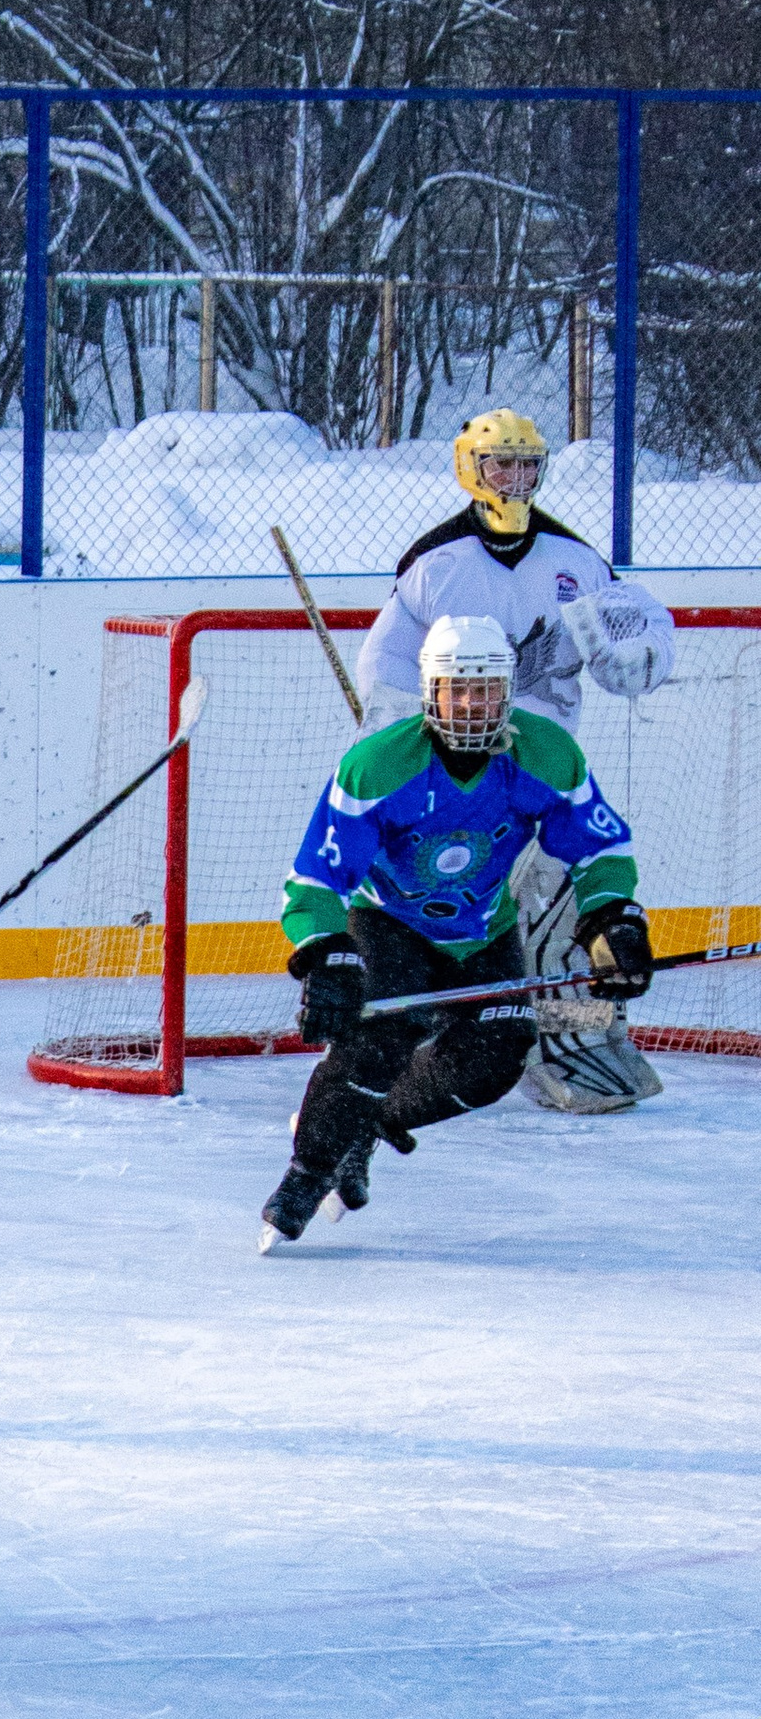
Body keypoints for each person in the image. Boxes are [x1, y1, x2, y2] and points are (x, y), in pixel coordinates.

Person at [261, 609, 650, 1251]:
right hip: (389, 922)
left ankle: (365, 1126)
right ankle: (307, 1173)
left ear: (507, 689)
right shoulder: (377, 766)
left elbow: (599, 850)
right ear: (430, 691)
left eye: (487, 688)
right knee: (377, 1041)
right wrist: (328, 955)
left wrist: (613, 921)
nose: (473, 704)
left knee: (494, 1059)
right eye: (457, 688)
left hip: (484, 928)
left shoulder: (547, 754)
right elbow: (313, 881)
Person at [358, 410, 674, 1111]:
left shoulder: (575, 559)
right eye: (502, 465)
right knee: (440, 897)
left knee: (562, 895)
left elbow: (636, 621)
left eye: (528, 464)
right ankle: (409, 1037)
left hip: (542, 761)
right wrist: (390, 744)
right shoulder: (436, 563)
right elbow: (387, 672)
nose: (516, 478)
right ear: (472, 470)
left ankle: (574, 1043)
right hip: (460, 771)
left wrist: (641, 656)